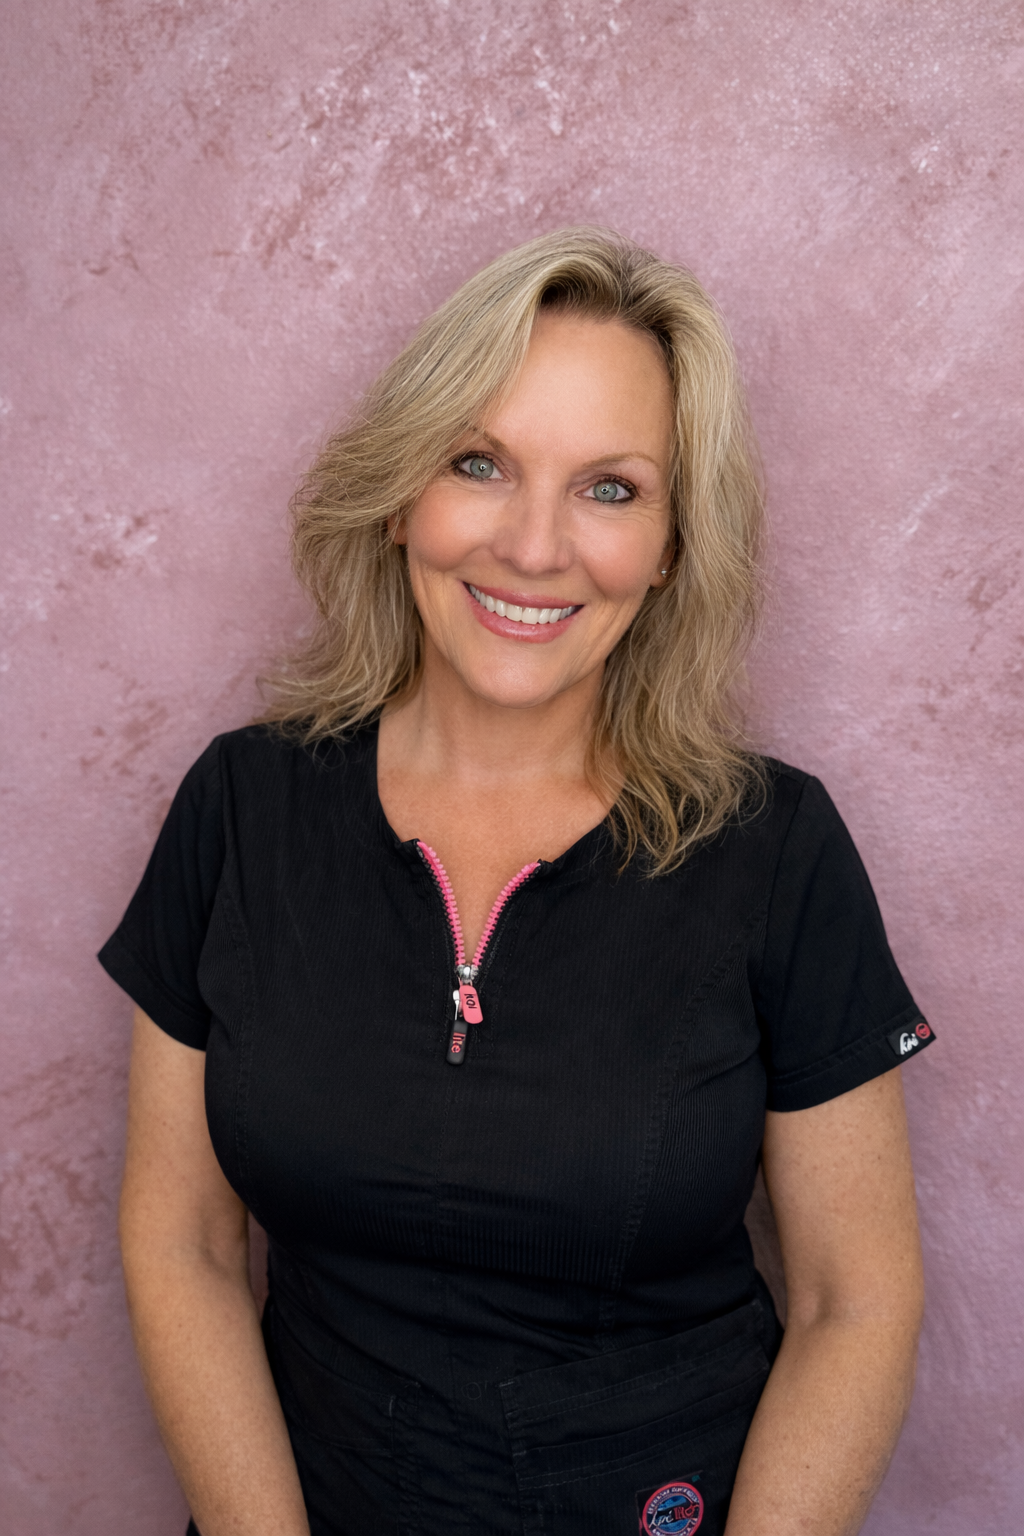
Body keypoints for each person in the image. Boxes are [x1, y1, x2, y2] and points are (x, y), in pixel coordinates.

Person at [101, 228, 933, 1536]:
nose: (535, 546)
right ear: (400, 497)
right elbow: (184, 1245)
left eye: (611, 490)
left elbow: (856, 1302)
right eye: (479, 464)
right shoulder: (240, 809)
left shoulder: (780, 852)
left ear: (670, 547)